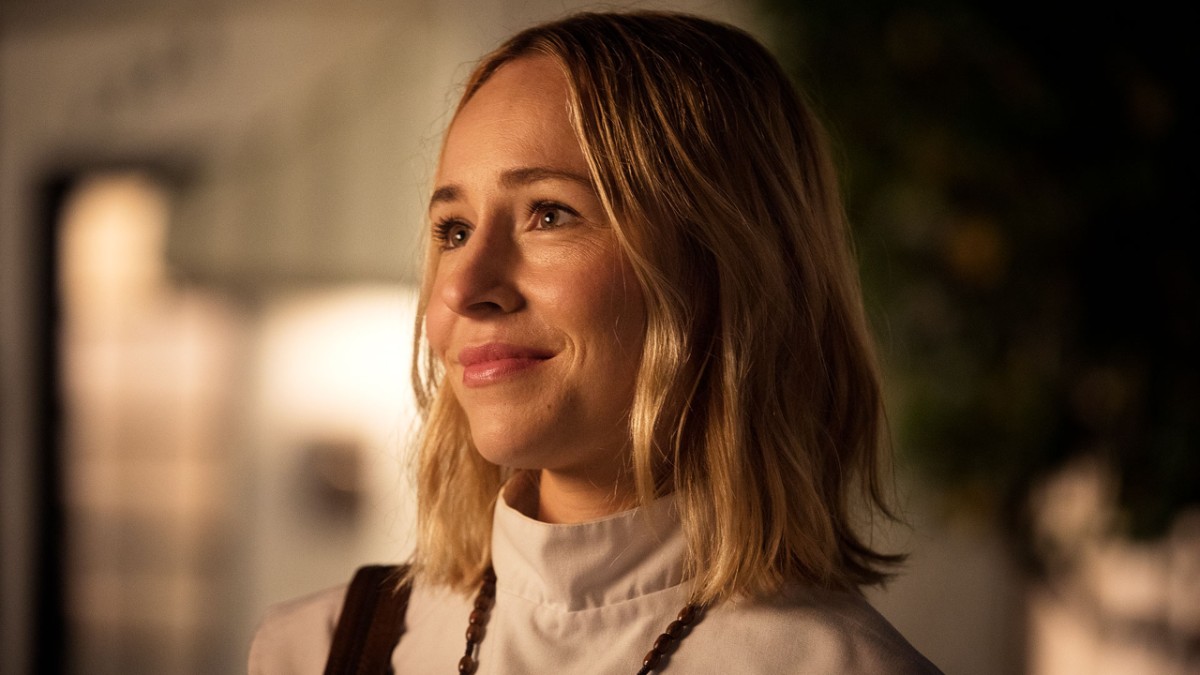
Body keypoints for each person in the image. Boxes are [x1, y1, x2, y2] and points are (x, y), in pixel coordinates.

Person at [250, 11, 941, 674]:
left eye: (550, 214)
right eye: (454, 231)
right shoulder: (310, 652)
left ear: (722, 264)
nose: (462, 288)